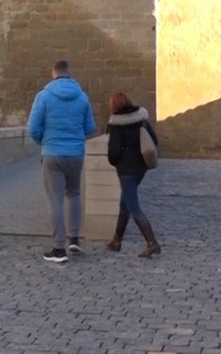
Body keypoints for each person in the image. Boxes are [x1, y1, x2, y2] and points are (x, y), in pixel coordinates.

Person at [28, 60, 97, 263]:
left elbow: (33, 128)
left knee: (55, 199)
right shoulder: (82, 97)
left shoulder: (44, 96)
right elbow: (90, 127)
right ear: (69, 73)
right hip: (75, 154)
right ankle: (75, 238)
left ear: (53, 73)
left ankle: (59, 248)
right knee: (74, 194)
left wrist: (45, 141)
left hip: (52, 153)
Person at [106, 92, 161, 258]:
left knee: (134, 207)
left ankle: (152, 243)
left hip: (126, 171)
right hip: (140, 168)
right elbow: (154, 141)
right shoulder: (141, 120)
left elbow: (113, 153)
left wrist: (119, 159)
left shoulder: (116, 125)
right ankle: (116, 240)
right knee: (125, 204)